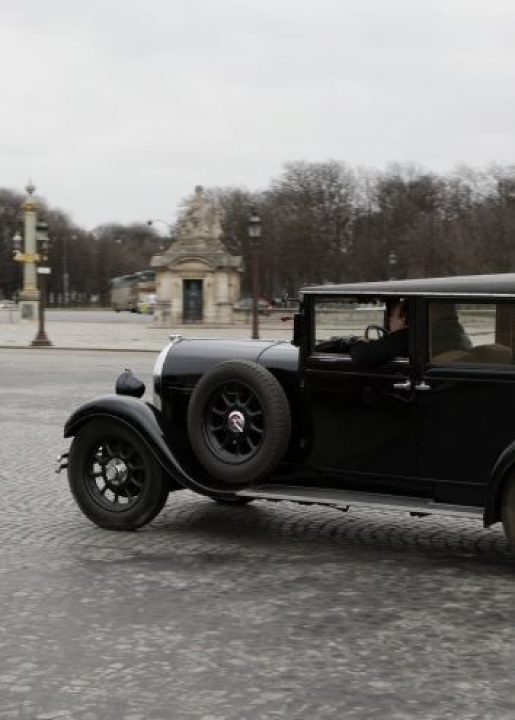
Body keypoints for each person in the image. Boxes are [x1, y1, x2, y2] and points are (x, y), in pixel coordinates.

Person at [349, 299, 409, 366]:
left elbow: (360, 355)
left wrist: (359, 341)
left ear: (403, 319)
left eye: (393, 315)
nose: (390, 319)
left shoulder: (401, 339)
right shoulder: (411, 336)